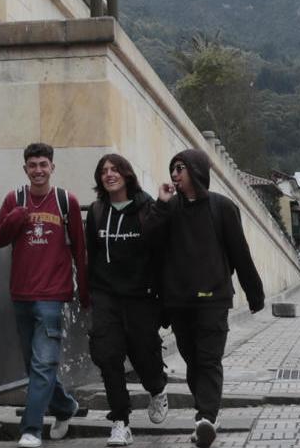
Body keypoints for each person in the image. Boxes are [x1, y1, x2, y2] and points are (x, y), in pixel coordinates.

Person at [142, 149, 263, 448]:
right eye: (173, 169)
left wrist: (254, 292)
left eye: (180, 168)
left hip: (214, 298)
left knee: (209, 360)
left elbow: (240, 252)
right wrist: (160, 203)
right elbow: (149, 240)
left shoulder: (222, 207)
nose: (174, 174)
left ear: (196, 170)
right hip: (178, 301)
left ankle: (205, 416)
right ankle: (207, 415)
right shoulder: (169, 208)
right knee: (193, 361)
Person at [0, 142, 90, 447]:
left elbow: (80, 249)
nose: (38, 170)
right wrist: (16, 217)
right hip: (21, 293)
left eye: (43, 165)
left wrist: (84, 293)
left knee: (43, 364)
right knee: (33, 365)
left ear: (52, 167)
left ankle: (31, 429)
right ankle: (65, 406)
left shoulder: (66, 201)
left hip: (52, 295)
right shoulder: (14, 198)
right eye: (32, 165)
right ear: (25, 169)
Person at [84, 153, 169, 446]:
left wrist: (162, 205)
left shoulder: (146, 208)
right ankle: (120, 421)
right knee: (108, 357)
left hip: (141, 297)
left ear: (126, 174)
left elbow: (160, 250)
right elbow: (90, 255)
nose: (109, 175)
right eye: (104, 171)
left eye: (115, 170)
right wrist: (88, 294)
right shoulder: (96, 212)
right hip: (106, 294)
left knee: (144, 356)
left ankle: (157, 389)